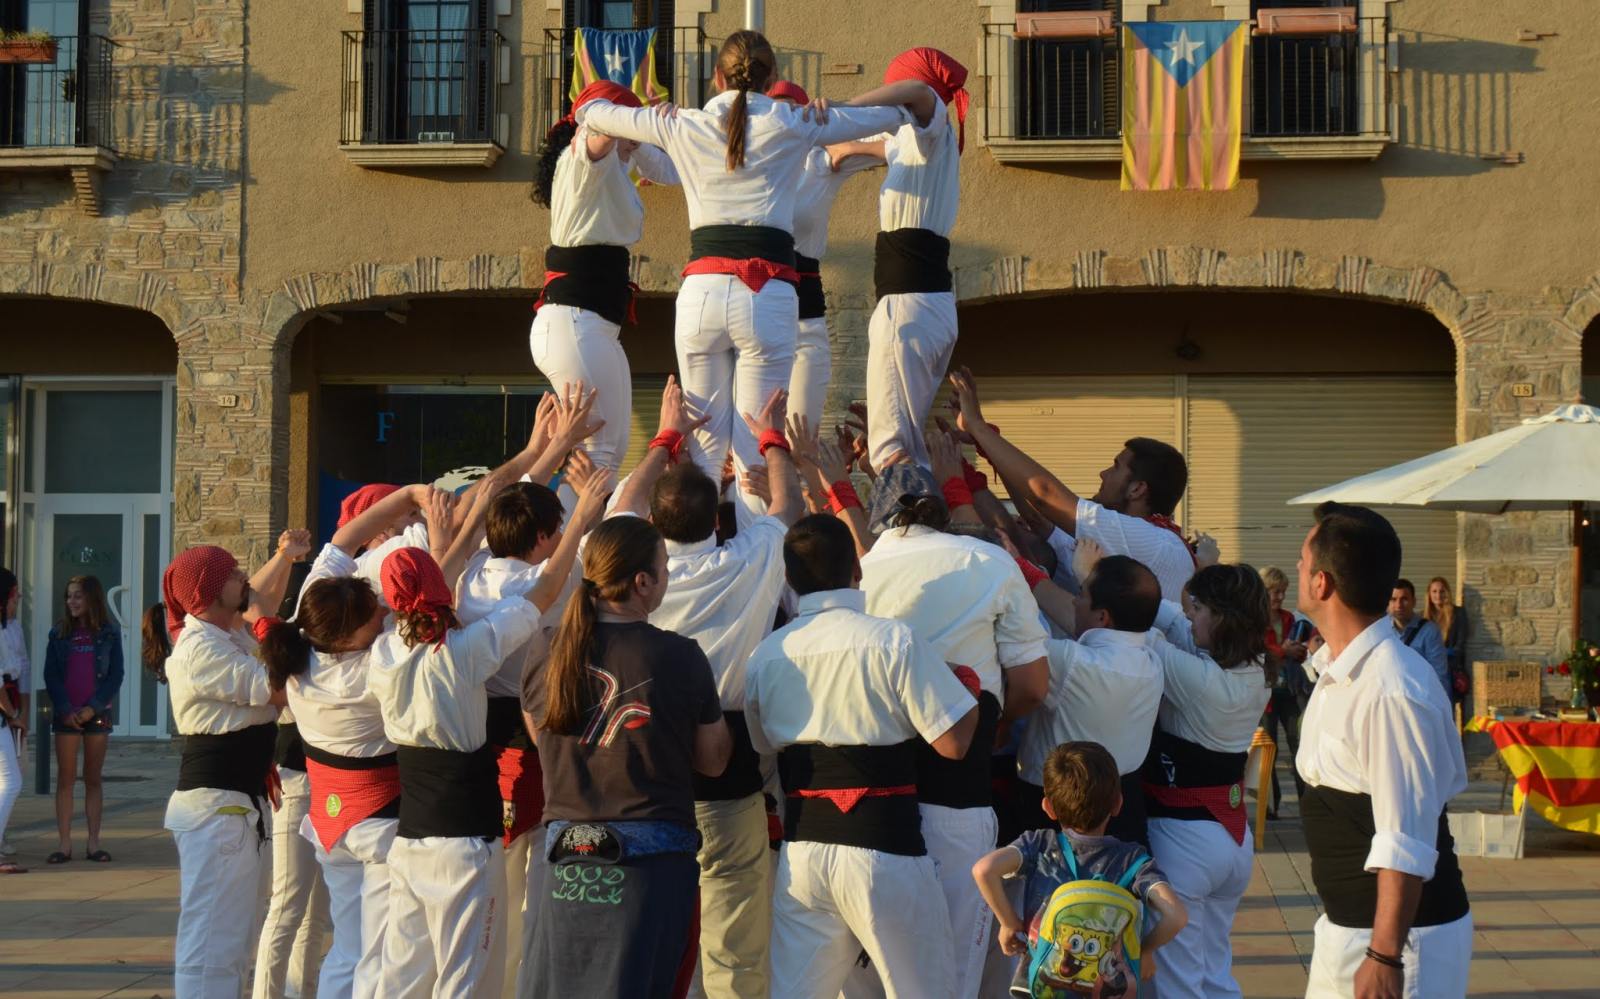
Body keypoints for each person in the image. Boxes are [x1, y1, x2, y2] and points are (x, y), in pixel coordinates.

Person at [576, 30, 924, 524]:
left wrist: (652, 115)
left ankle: (689, 554)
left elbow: (591, 112)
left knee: (702, 450)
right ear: (773, 76)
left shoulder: (686, 123)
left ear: (717, 77)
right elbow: (896, 115)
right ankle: (761, 561)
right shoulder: (791, 120)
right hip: (767, 297)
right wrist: (838, 107)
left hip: (701, 296)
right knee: (756, 449)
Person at [368, 460, 607, 999]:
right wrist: (583, 517)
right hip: (464, 840)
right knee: (468, 980)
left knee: (403, 978)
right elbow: (542, 593)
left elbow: (444, 575)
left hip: (410, 837)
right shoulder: (465, 653)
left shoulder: (382, 654)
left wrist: (474, 520)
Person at [605, 381, 798, 999]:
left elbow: (622, 506)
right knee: (734, 937)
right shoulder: (750, 559)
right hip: (729, 772)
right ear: (716, 516)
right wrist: (771, 439)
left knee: (647, 932)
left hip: (641, 767)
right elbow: (787, 509)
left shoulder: (631, 574)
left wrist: (666, 436)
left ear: (654, 523)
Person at [745, 514, 980, 999]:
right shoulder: (893, 640)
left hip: (804, 855)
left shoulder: (765, 655)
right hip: (885, 848)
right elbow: (953, 744)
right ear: (857, 567)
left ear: (789, 578)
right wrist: (968, 689)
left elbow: (763, 744)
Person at [854, 449, 1048, 999]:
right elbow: (1033, 685)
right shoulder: (987, 562)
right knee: (954, 965)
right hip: (958, 795)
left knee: (871, 971)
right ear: (940, 512)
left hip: (864, 802)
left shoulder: (857, 572)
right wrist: (996, 724)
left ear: (879, 517)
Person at [520, 513, 732, 999]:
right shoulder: (679, 655)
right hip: (650, 863)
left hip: (564, 855)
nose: (668, 576)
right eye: (665, 567)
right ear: (642, 582)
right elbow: (713, 760)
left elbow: (541, 737)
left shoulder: (546, 647)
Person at [258, 488, 449, 999]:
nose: (384, 614)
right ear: (350, 634)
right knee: (378, 956)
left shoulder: (306, 637)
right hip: (378, 823)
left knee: (348, 947)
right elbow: (435, 591)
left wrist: (407, 497)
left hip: (331, 821)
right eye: (374, 614)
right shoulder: (375, 666)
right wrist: (429, 522)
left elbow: (343, 541)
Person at [1296, 503, 1471, 997]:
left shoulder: (1391, 689)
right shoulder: (1341, 672)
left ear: (1322, 584)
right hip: (1350, 927)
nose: (1297, 570)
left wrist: (1384, 955)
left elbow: (1405, 835)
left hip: (1400, 941)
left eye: (1303, 563)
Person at [149, 531, 308, 998]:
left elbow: (261, 597)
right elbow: (277, 688)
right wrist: (264, 620)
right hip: (218, 809)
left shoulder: (222, 632)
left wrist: (285, 559)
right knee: (212, 943)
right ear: (210, 592)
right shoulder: (201, 650)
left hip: (236, 805)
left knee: (234, 939)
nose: (244, 576)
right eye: (233, 573)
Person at [531, 80, 680, 496]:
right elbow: (596, 134)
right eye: (627, 132)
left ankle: (570, 530)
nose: (633, 146)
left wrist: (656, 130)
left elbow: (669, 172)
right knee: (602, 452)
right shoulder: (583, 160)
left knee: (606, 451)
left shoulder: (611, 171)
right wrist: (635, 122)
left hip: (589, 326)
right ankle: (574, 533)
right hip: (575, 323)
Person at [1139, 565, 1273, 999]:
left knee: (1178, 986)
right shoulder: (1257, 668)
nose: (1189, 616)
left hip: (1185, 838)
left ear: (1222, 615)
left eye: (1197, 608)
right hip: (1232, 838)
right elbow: (1175, 622)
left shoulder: (1200, 679)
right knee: (1216, 977)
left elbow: (1139, 628)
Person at [947, 366, 1195, 601]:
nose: (1103, 474)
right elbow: (1037, 517)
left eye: (1116, 467)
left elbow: (1045, 494)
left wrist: (978, 426)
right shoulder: (1119, 540)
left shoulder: (1158, 542)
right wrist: (986, 446)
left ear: (1137, 489)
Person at [971, 741, 1187, 994]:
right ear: (1118, 803)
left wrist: (1009, 923)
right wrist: (1144, 951)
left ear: (1048, 807)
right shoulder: (1134, 861)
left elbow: (984, 870)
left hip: (1044, 987)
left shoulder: (1040, 845)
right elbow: (1177, 916)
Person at [859, 48, 969, 472]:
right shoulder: (914, 142)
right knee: (905, 441)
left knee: (890, 448)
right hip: (925, 303)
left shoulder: (932, 128)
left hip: (909, 305)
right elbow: (871, 147)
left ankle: (907, 513)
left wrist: (844, 106)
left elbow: (921, 92)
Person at [1017, 551, 1164, 848]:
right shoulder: (1153, 658)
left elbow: (1015, 639)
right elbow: (1091, 624)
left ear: (1102, 616)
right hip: (1124, 808)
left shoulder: (1070, 662)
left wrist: (1011, 567)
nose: (1074, 601)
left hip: (1054, 811)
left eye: (1081, 594)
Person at [766, 80, 884, 430]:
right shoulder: (750, 159)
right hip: (758, 311)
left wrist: (840, 133)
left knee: (801, 433)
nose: (783, 118)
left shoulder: (820, 160)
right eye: (776, 110)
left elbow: (895, 142)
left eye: (792, 110)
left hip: (805, 310)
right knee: (751, 440)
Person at [42, 575, 123, 865]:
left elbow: (116, 675)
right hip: (67, 715)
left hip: (97, 714)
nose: (71, 601)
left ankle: (93, 844)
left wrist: (92, 708)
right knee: (66, 778)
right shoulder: (58, 633)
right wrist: (66, 709)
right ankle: (64, 845)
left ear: (91, 598)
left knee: (92, 778)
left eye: (77, 596)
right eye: (69, 596)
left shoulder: (109, 633)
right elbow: (51, 675)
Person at [1260, 565, 1310, 818]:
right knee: (1268, 752)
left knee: (1300, 745)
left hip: (1289, 691)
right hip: (1265, 695)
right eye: (1275, 591)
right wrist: (1283, 651)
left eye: (1283, 591)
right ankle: (1270, 807)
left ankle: (1307, 804)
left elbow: (1297, 655)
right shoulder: (1254, 620)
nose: (1280, 597)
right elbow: (1257, 651)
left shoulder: (1290, 618)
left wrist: (1299, 651)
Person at [0, 568, 28, 872]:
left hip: (6, 709)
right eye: (13, 594)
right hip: (3, 712)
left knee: (8, 780)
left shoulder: (10, 628)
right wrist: (13, 715)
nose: (17, 598)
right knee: (11, 781)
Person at [1389, 578, 1449, 695]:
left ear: (1414, 602)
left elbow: (1439, 676)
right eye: (1393, 599)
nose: (1399, 605)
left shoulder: (1429, 631)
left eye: (1404, 599)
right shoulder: (1381, 630)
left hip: (1419, 699)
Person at [1424, 577, 1470, 712]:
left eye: (1442, 591)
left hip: (1450, 669)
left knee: (1447, 710)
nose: (1438, 595)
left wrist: (1443, 655)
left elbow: (1460, 645)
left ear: (1447, 593)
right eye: (1434, 591)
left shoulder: (1458, 613)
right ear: (1429, 594)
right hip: (1428, 671)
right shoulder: (1422, 617)